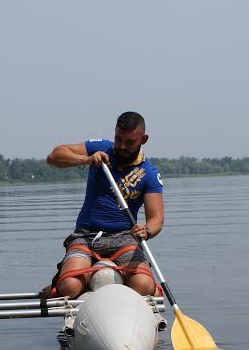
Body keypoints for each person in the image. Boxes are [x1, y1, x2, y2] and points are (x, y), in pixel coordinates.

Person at [45, 111, 164, 298]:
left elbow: (156, 219)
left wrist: (146, 231)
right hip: (87, 236)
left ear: (144, 139)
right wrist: (86, 160)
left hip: (125, 237)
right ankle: (61, 281)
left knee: (143, 287)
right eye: (119, 139)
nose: (122, 146)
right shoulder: (101, 148)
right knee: (69, 288)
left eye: (129, 142)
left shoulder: (149, 172)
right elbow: (54, 156)